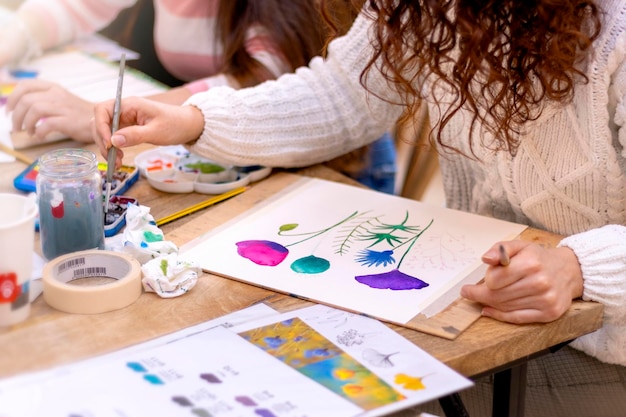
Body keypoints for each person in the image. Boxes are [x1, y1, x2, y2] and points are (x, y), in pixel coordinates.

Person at [92, 0, 626, 415]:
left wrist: (578, 267)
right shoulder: (424, 9)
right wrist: (195, 121)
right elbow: (344, 96)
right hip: (477, 312)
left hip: (603, 351)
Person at [0, 0, 397, 193]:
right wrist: (14, 36)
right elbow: (78, 5)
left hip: (332, 163)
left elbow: (259, 82)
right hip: (237, 148)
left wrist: (99, 112)